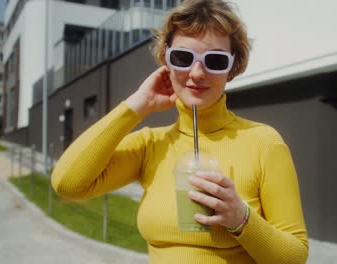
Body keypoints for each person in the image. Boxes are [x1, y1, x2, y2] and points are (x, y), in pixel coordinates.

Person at [52, 0, 308, 263]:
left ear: (232, 66)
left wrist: (240, 219)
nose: (197, 73)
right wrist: (137, 105)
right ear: (167, 59)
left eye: (216, 61)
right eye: (183, 58)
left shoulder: (264, 143)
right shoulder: (151, 145)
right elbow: (68, 183)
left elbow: (295, 256)